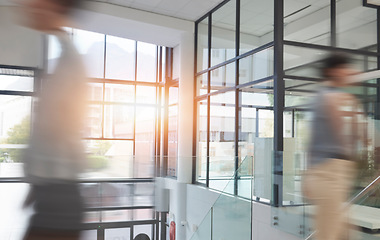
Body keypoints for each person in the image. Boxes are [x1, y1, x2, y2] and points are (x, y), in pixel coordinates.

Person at [15, 0, 87, 239]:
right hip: (53, 199)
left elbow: (60, 129)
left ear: (55, 6)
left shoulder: (70, 63)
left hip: (59, 204)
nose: (27, 4)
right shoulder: (65, 55)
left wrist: (36, 178)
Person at [303, 53, 365, 240]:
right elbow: (347, 137)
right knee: (329, 234)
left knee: (343, 233)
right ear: (333, 71)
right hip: (329, 175)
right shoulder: (330, 98)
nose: (350, 72)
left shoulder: (328, 97)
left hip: (333, 175)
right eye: (345, 68)